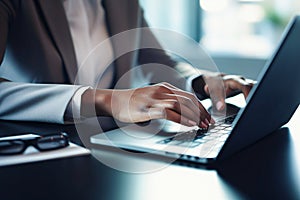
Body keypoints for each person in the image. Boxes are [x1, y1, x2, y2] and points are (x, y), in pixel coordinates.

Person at [0, 0, 253, 129]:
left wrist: (201, 82)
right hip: (41, 152)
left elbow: (155, 59)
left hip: (115, 143)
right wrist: (107, 100)